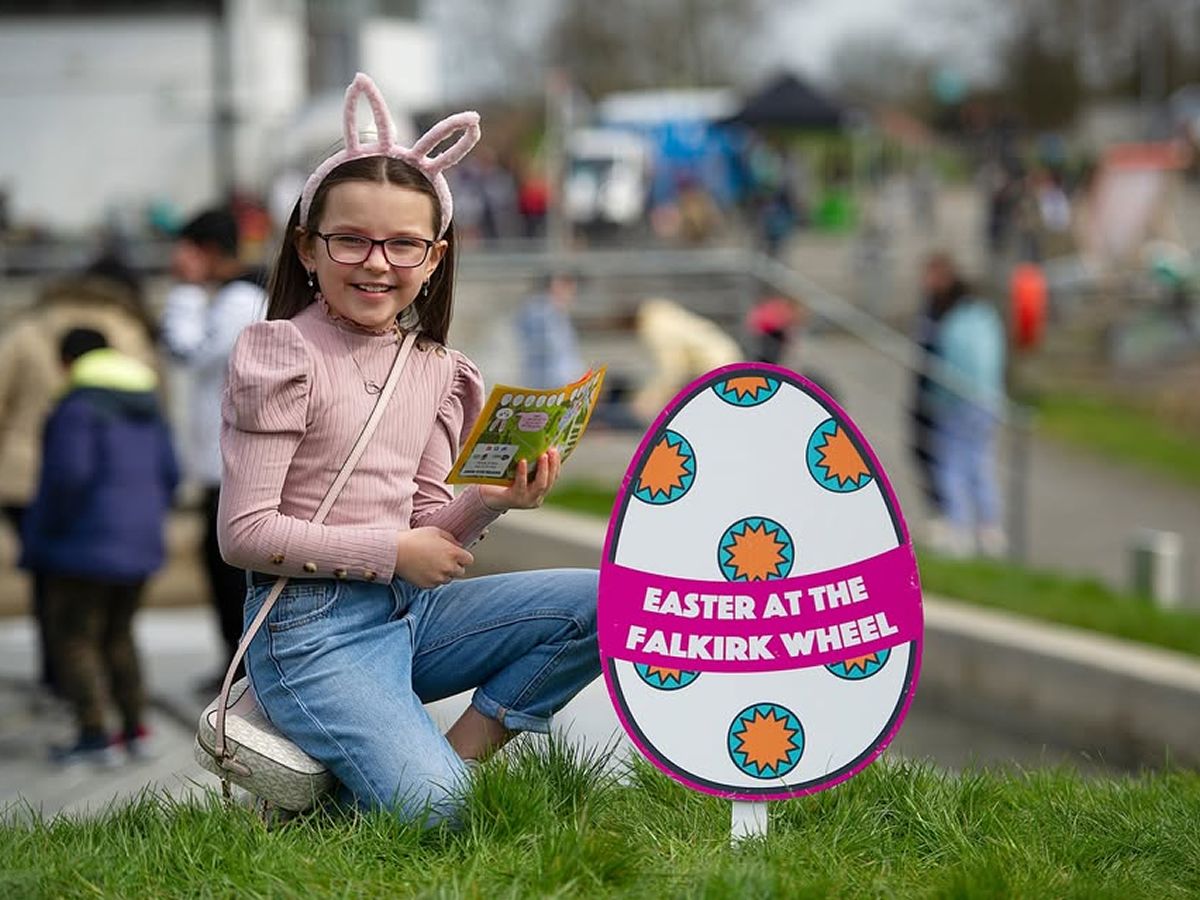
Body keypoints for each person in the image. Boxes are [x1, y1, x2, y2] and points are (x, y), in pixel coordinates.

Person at [216, 73, 599, 823]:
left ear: (435, 255)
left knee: (613, 602)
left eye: (404, 244)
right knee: (440, 818)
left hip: (408, 618)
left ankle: (439, 770)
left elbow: (427, 520)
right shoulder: (280, 352)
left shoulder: (438, 370)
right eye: (350, 239)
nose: (378, 262)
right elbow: (245, 534)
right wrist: (394, 553)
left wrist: (488, 502)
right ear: (307, 248)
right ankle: (402, 790)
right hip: (309, 634)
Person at [0, 252, 159, 698]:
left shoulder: (27, 329)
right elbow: (155, 411)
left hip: (26, 477)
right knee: (111, 606)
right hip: (119, 486)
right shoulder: (128, 331)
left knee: (51, 589)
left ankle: (65, 683)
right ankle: (113, 692)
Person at [21, 328, 179, 764]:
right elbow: (170, 472)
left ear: (68, 362)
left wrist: (44, 533)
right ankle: (134, 729)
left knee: (74, 637)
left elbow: (68, 477)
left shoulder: (77, 407)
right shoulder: (149, 406)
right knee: (120, 634)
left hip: (81, 544)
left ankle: (94, 734)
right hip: (139, 541)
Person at [159, 208, 265, 690]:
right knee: (224, 575)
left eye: (185, 249)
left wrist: (182, 294)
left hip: (228, 468)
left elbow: (186, 351)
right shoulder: (231, 298)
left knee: (229, 577)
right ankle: (234, 666)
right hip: (218, 465)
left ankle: (241, 671)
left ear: (205, 251)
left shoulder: (239, 300)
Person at [925, 255, 1008, 558]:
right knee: (980, 463)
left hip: (957, 400)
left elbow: (949, 368)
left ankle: (958, 529)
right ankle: (990, 529)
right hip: (989, 400)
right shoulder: (987, 318)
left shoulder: (953, 323)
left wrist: (936, 400)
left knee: (951, 464)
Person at [631, 298, 743, 422]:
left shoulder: (655, 328)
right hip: (724, 357)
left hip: (716, 365)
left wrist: (650, 398)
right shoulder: (664, 316)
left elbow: (674, 369)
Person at [515, 272, 585, 390]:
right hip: (548, 383)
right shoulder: (538, 310)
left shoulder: (557, 311)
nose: (572, 294)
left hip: (559, 381)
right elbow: (549, 347)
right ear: (556, 285)